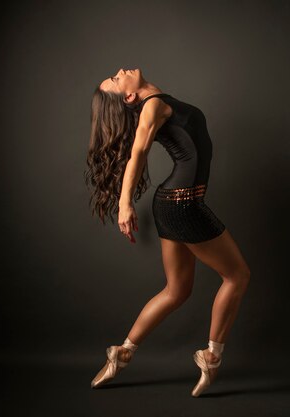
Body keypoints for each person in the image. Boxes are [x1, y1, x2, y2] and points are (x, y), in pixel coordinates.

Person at [84, 68, 251, 397]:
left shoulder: (157, 103)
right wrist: (124, 204)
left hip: (171, 204)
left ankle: (122, 353)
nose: (119, 72)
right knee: (238, 276)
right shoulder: (152, 105)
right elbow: (138, 154)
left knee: (177, 290)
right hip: (182, 203)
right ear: (130, 97)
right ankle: (211, 357)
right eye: (116, 81)